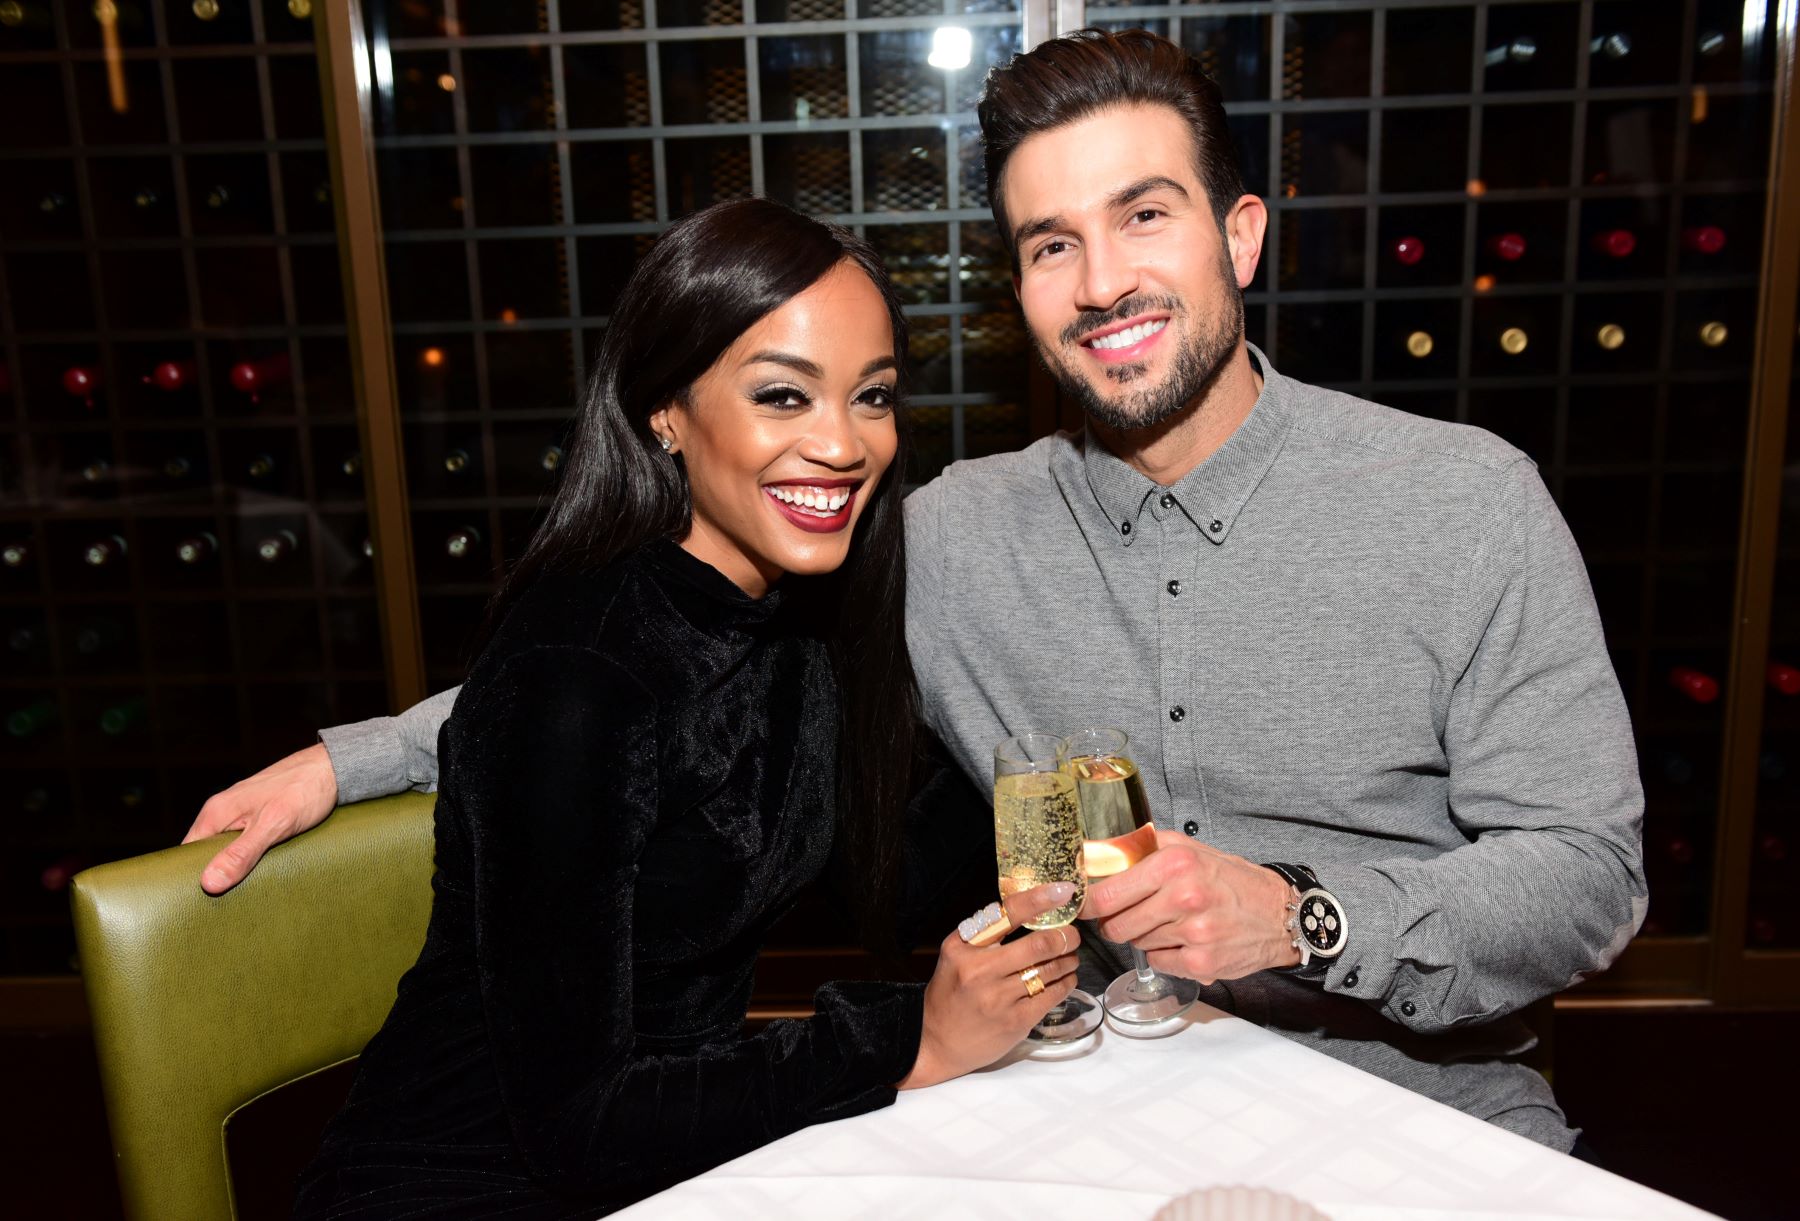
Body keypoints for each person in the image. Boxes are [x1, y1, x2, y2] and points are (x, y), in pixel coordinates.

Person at [190, 31, 1645, 1156]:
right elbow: (651, 675)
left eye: (1145, 217)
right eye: (1049, 244)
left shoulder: (1462, 501)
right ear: (1018, 289)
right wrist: (352, 755)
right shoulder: (945, 537)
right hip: (1076, 1110)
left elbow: (1589, 876)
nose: (1103, 280)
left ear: (1240, 236)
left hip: (1414, 1117)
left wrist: (1306, 917)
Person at [282, 198, 1082, 1218]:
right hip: (464, 1180)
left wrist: (1054, 777)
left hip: (683, 1154)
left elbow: (893, 885)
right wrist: (908, 1040)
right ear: (666, 408)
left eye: (872, 397)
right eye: (784, 398)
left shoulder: (792, 624)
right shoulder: (577, 671)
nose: (843, 446)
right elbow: (578, 1127)